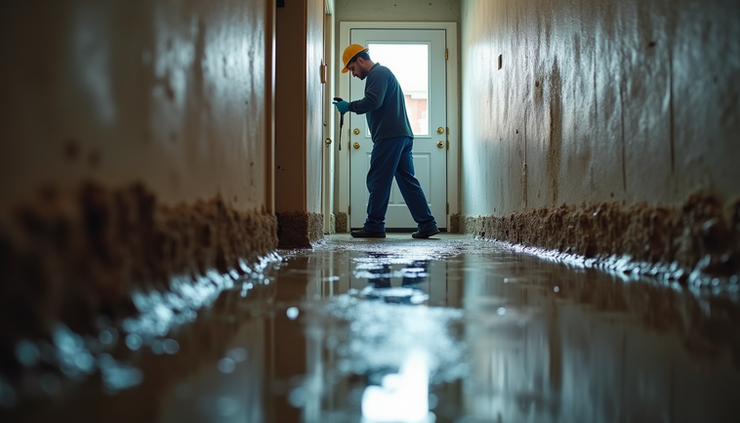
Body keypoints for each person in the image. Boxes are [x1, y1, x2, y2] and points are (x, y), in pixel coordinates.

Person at [333, 44, 440, 239]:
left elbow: (374, 101)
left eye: (352, 69)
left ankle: (374, 225)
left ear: (360, 60)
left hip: (389, 136)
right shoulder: (382, 73)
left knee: (377, 180)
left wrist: (348, 106)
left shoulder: (378, 73)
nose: (353, 74)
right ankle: (427, 223)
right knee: (408, 181)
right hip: (401, 135)